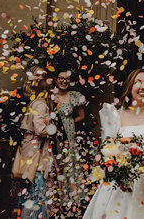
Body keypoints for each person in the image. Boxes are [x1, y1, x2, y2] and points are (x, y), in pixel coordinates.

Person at [83, 68, 144, 218]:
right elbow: (107, 149)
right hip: (125, 179)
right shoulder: (115, 114)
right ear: (129, 87)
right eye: (138, 82)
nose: (143, 87)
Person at [48, 69, 90, 217]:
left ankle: (73, 201)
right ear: (56, 79)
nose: (64, 81)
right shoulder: (50, 95)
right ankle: (57, 202)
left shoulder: (75, 96)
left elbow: (81, 116)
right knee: (56, 167)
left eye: (66, 79)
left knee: (70, 167)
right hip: (53, 136)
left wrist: (69, 122)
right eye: (61, 78)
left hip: (69, 137)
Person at [16, 79, 54, 218]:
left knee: (28, 191)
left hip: (29, 149)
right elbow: (40, 129)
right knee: (37, 190)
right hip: (35, 152)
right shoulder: (41, 105)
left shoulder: (34, 102)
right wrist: (53, 129)